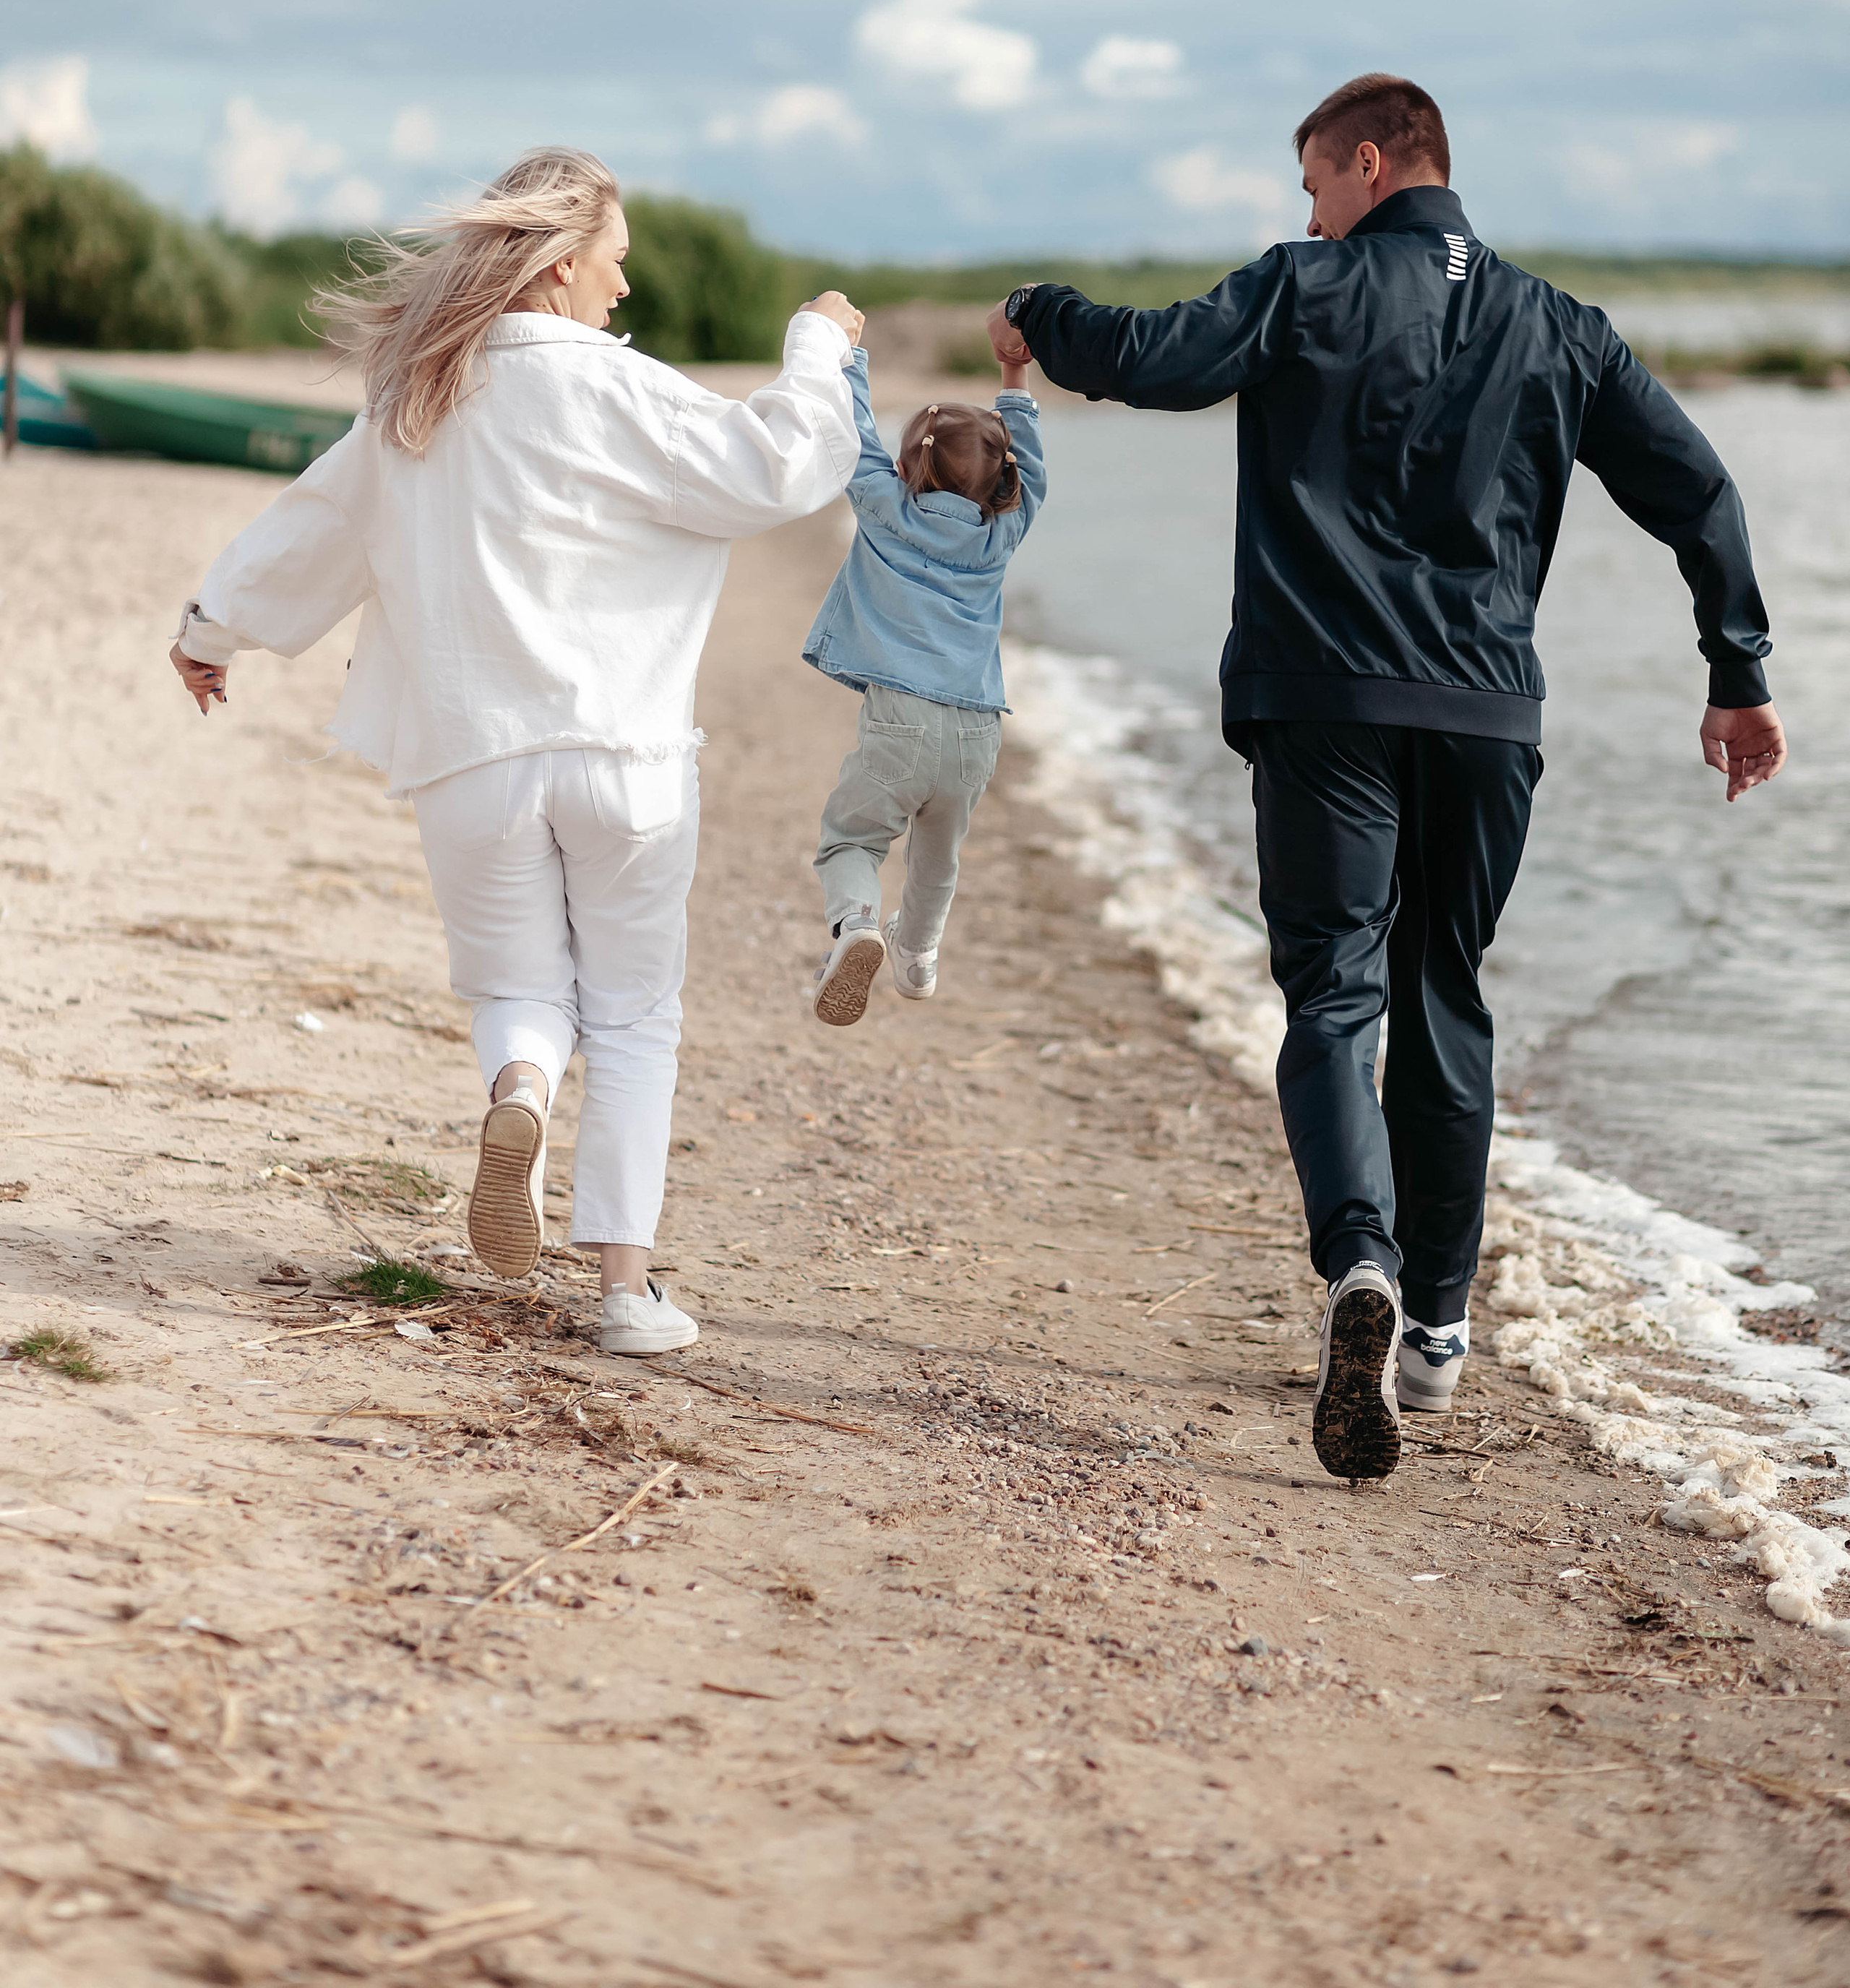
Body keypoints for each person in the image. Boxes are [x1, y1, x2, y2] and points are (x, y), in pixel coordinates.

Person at [986, 74, 1785, 1481]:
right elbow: (1695, 490)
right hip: (1483, 717)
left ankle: (1359, 1258)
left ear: (1372, 162)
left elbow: (1152, 358)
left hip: (1322, 704)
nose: (1307, 215)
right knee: (1442, 994)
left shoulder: (1304, 286)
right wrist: (1736, 669)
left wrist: (1036, 311)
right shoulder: (1561, 325)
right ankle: (1436, 1329)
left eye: (1313, 185)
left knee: (1332, 995)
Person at [169, 148, 863, 1357]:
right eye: (615, 260)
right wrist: (817, 345)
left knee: (516, 991)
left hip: (474, 762)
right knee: (635, 1015)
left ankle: (523, 1095)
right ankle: (627, 1296)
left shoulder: (417, 397)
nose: (624, 287)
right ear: (558, 264)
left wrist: (209, 631)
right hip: (627, 757)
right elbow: (779, 469)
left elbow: (314, 530)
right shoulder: (621, 388)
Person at [801, 340, 1045, 1024]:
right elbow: (1034, 472)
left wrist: (850, 358)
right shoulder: (1002, 533)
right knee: (938, 855)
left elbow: (853, 435)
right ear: (1004, 484)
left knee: (851, 840)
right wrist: (1015, 373)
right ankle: (918, 955)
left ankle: (857, 923)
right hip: (977, 731)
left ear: (907, 468)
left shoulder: (885, 505)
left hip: (900, 721)